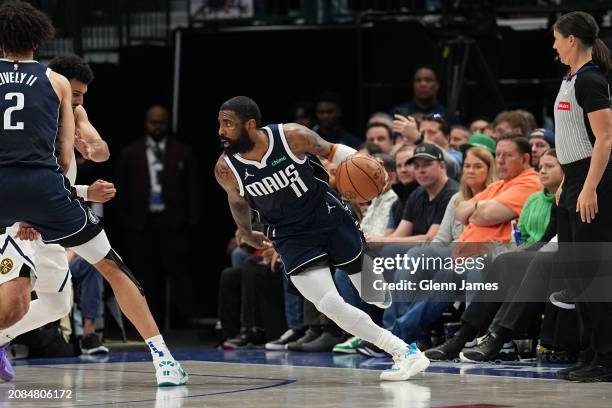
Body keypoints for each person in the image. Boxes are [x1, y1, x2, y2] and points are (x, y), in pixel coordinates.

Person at [0, 1, 186, 386]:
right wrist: (46, 205)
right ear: (39, 38)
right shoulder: (56, 82)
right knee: (114, 269)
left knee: (57, 302)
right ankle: (164, 360)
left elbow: (91, 148)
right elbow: (65, 153)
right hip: (44, 191)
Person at [214, 95, 430, 381]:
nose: (220, 131)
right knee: (329, 303)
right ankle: (404, 352)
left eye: (227, 124)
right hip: (290, 236)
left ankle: (385, 302)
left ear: (250, 125)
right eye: (219, 124)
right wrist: (244, 231)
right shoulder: (226, 168)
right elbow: (238, 201)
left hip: (327, 216)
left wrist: (369, 167)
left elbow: (336, 152)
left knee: (375, 296)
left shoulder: (291, 136)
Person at [550, 11, 612, 382]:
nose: (553, 46)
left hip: (596, 180)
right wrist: (566, 181)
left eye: (556, 39)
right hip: (574, 178)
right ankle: (590, 352)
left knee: (594, 273)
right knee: (577, 274)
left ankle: (606, 357)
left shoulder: (591, 80)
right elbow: (573, 136)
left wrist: (589, 186)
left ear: (571, 39)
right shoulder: (569, 77)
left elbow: (605, 139)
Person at [117, 105, 200, 329]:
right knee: (144, 274)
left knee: (179, 272)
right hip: (141, 224)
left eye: (161, 122)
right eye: (153, 122)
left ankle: (186, 322)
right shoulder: (131, 153)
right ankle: (147, 323)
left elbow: (192, 189)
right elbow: (122, 190)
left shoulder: (182, 152)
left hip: (173, 222)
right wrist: (127, 221)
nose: (157, 126)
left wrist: (190, 220)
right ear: (146, 123)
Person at [393, 67, 460, 125]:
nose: (423, 84)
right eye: (418, 80)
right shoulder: (399, 113)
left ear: (437, 85)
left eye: (428, 80)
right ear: (413, 85)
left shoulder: (448, 116)